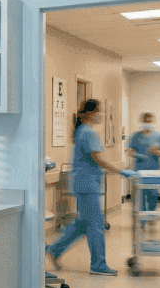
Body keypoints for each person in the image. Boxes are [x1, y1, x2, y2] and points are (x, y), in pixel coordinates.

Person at [47, 99, 123, 276]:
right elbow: (98, 158)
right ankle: (98, 264)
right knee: (96, 225)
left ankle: (54, 249)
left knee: (83, 223)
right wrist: (120, 171)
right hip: (87, 186)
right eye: (99, 111)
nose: (101, 115)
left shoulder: (81, 131)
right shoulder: (88, 132)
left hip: (83, 184)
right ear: (91, 113)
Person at [127, 112, 160, 213]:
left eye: (149, 121)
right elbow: (129, 150)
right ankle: (142, 219)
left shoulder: (159, 136)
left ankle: (151, 215)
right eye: (145, 121)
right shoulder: (135, 136)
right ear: (142, 121)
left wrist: (157, 151)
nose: (147, 123)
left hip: (155, 170)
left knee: (153, 194)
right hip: (139, 169)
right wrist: (134, 154)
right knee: (140, 195)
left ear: (153, 121)